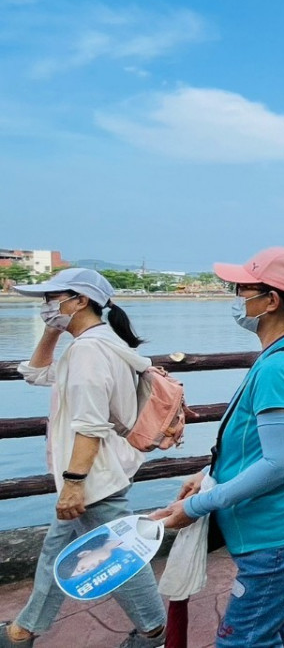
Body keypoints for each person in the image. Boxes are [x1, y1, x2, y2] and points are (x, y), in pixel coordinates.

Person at [154, 247, 284, 648]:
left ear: (271, 301)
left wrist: (198, 506)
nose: (237, 297)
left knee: (243, 639)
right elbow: (265, 445)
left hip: (282, 532)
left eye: (242, 288)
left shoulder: (280, 367)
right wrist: (209, 477)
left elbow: (281, 461)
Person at [4, 269, 167, 648]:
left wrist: (74, 484)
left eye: (52, 299)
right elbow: (36, 373)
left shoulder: (90, 352)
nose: (46, 307)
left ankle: (155, 630)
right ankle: (23, 630)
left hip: (94, 476)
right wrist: (53, 330)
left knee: (119, 555)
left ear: (79, 300)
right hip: (101, 470)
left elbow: (90, 425)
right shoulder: (95, 342)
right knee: (57, 553)